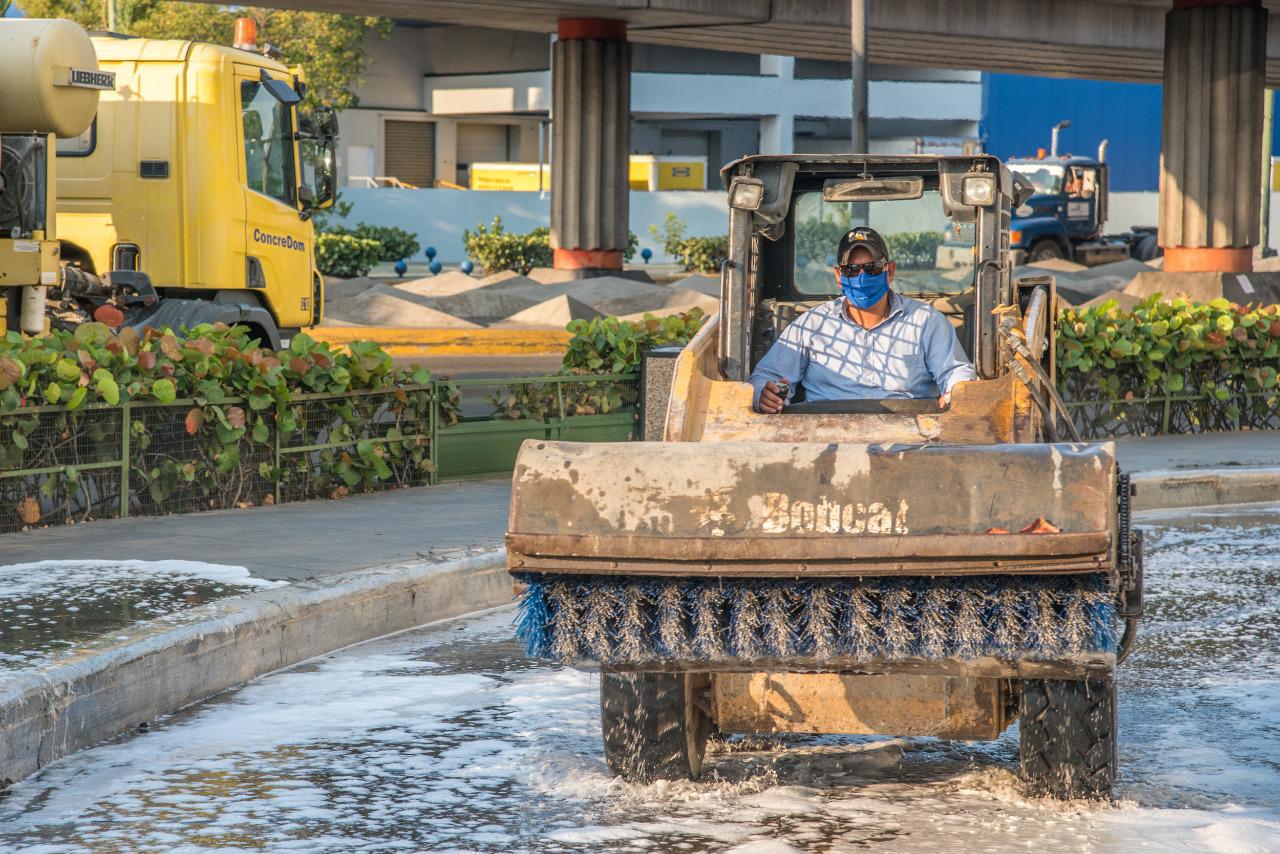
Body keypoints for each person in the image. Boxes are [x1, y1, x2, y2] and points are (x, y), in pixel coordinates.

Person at [749, 226, 976, 414]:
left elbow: (955, 373)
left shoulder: (926, 322)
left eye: (872, 268)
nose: (862, 276)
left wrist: (955, 392)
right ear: (839, 276)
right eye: (851, 270)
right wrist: (764, 394)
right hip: (824, 436)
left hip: (911, 435)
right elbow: (766, 377)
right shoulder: (813, 324)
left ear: (889, 271)